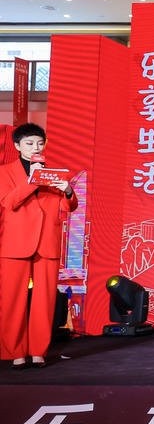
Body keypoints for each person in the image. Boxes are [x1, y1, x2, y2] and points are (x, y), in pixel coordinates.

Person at [0, 123, 78, 369]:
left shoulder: (53, 173)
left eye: (40, 143)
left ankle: (38, 351)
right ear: (17, 146)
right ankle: (15, 352)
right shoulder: (4, 172)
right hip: (15, 243)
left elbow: (68, 207)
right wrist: (33, 180)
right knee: (12, 300)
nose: (35, 147)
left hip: (47, 241)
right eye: (29, 143)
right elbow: (9, 202)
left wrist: (68, 191)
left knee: (44, 301)